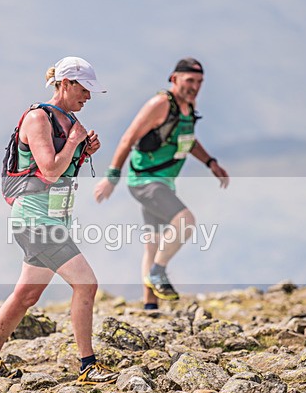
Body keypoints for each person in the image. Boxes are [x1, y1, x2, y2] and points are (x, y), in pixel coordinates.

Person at [0, 56, 120, 384]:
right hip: (35, 219)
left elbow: (62, 167)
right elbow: (50, 171)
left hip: (53, 218)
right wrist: (73, 142)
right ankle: (88, 365)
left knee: (27, 295)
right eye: (84, 89)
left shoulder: (67, 120)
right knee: (87, 284)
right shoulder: (38, 118)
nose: (88, 97)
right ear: (66, 84)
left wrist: (83, 152)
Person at [93, 58, 229, 309]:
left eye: (199, 82)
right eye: (190, 80)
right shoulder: (160, 104)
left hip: (164, 182)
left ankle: (150, 305)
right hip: (145, 181)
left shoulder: (187, 107)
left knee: (153, 242)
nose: (195, 86)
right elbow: (128, 138)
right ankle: (158, 272)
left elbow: (188, 140)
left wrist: (210, 163)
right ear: (174, 78)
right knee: (186, 221)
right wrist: (112, 177)